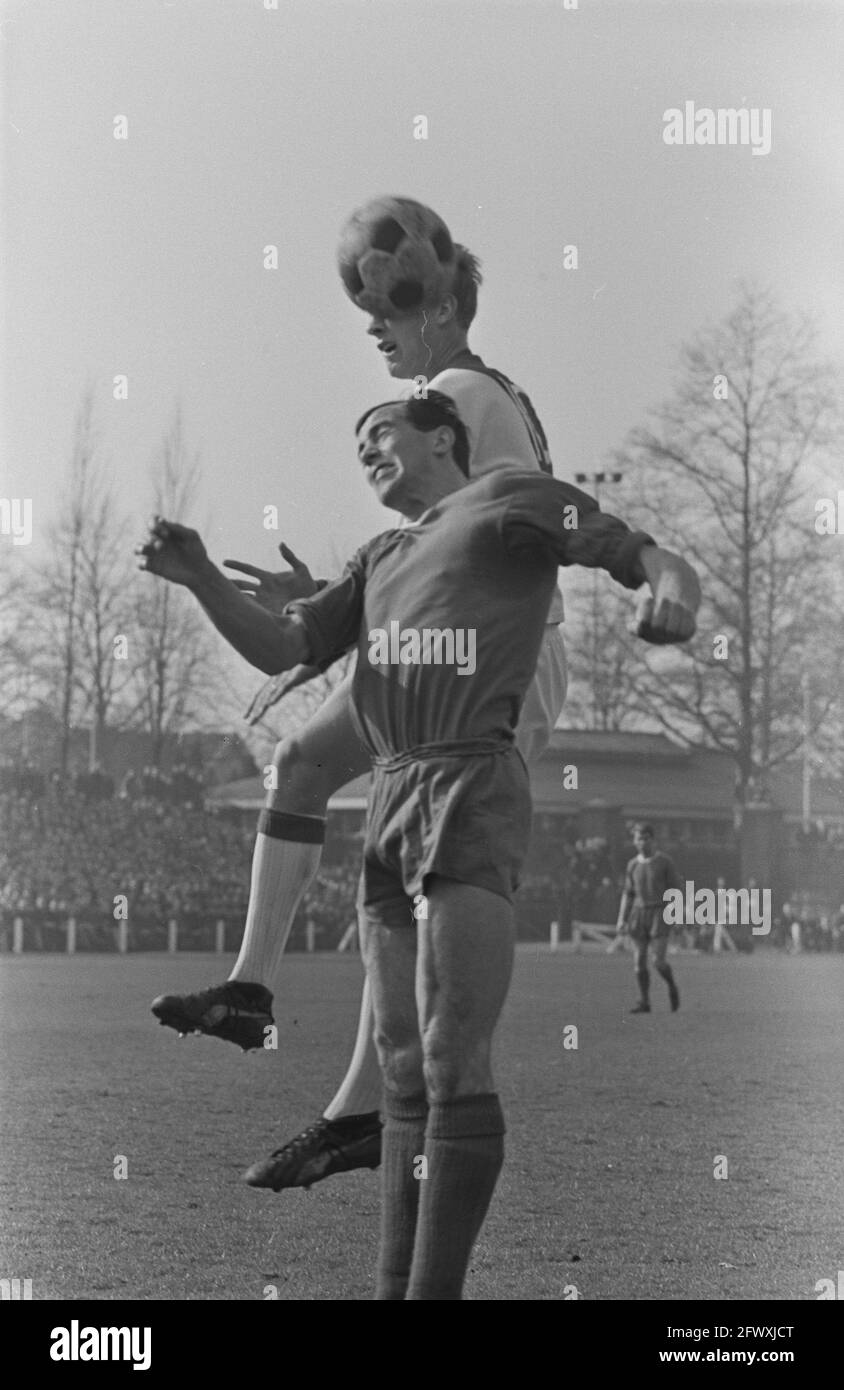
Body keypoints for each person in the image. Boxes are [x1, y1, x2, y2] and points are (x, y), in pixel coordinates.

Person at [138, 390, 700, 1299]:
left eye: (380, 433)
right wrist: (199, 576)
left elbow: (624, 546)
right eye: (355, 441)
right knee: (400, 1064)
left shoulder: (510, 495)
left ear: (443, 438)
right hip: (391, 795)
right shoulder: (382, 556)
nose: (365, 450)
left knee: (447, 1055)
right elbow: (284, 644)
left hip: (471, 782)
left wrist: (675, 585)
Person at [150, 213, 573, 1189]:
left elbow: (512, 545)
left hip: (494, 660)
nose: (378, 322)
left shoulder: (455, 395)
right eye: (371, 305)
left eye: (400, 301)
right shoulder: (462, 406)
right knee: (302, 769)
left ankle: (362, 1108)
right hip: (461, 647)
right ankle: (253, 994)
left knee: (406, 876)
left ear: (450, 306)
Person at [616, 823, 683, 1013]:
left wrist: (676, 916)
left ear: (653, 840)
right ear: (634, 841)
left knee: (658, 961)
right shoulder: (633, 865)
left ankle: (671, 986)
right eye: (639, 838)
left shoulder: (665, 862)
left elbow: (676, 891)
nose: (643, 842)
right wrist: (621, 919)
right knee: (639, 961)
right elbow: (628, 894)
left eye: (646, 838)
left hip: (659, 913)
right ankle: (644, 1002)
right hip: (639, 914)